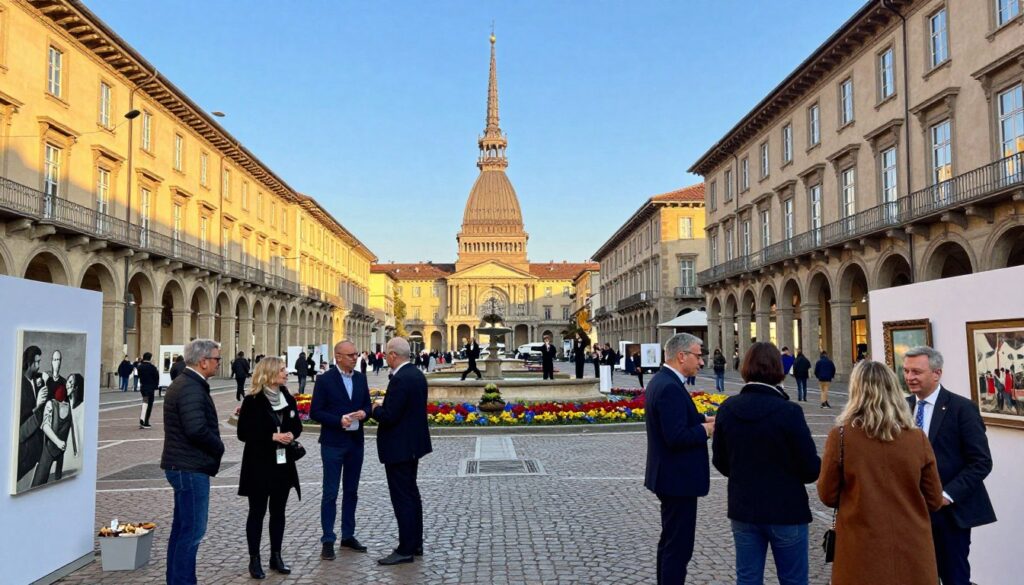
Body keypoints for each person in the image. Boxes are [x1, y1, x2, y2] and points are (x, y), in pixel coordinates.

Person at [818, 360, 945, 585]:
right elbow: (934, 499)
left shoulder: (841, 437)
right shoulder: (917, 439)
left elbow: (827, 495)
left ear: (855, 391)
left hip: (861, 548)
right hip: (912, 547)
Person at [712, 342, 820, 585]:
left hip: (744, 507)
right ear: (777, 369)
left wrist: (743, 474)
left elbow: (719, 459)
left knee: (748, 578)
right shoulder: (788, 411)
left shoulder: (728, 409)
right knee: (793, 579)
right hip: (786, 508)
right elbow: (810, 468)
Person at [903, 346, 996, 585]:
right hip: (909, 512)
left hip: (950, 515)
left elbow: (981, 461)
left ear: (936, 373)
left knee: (954, 576)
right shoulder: (900, 408)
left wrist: (945, 495)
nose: (910, 377)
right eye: (906, 371)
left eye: (917, 372)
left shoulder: (962, 409)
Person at [644, 333, 715, 584]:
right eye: (698, 355)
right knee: (678, 547)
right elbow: (676, 437)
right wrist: (706, 430)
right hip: (677, 479)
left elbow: (678, 420)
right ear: (681, 356)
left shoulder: (663, 381)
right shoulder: (669, 388)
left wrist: (703, 419)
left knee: (670, 541)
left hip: (671, 477)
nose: (702, 361)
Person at [160, 339, 225, 585]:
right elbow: (196, 429)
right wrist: (218, 446)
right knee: (192, 531)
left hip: (183, 464)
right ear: (203, 361)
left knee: (182, 530)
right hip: (189, 466)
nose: (219, 363)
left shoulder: (188, 383)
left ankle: (177, 580)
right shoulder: (190, 387)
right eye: (217, 359)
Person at [237, 356, 303, 579]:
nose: (286, 373)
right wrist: (272, 436)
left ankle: (276, 556)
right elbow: (243, 433)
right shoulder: (252, 400)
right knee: (257, 512)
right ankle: (254, 559)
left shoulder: (288, 398)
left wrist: (291, 434)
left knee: (279, 512)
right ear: (270, 373)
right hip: (258, 464)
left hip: (282, 465)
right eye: (282, 370)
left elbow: (297, 425)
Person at [371, 337, 432, 565]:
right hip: (413, 445)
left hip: (399, 447)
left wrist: (375, 409)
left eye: (387, 354)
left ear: (394, 355)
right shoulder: (416, 375)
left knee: (403, 498)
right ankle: (415, 542)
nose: (386, 357)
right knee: (411, 495)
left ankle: (406, 548)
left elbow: (390, 416)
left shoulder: (400, 379)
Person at [312, 340, 372, 561]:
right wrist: (338, 420)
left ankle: (348, 535)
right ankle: (328, 538)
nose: (355, 358)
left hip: (356, 442)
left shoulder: (360, 378)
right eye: (350, 355)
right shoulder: (325, 380)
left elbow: (366, 404)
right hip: (333, 443)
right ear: (338, 357)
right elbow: (315, 411)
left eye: (356, 354)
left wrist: (365, 413)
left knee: (352, 491)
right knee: (330, 492)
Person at [32, 372, 81, 487]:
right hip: (49, 449)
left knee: (58, 484)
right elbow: (45, 425)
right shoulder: (51, 404)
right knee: (38, 483)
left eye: (71, 382)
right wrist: (58, 442)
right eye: (67, 382)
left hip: (61, 454)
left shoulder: (71, 407)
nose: (67, 385)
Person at [18, 345, 45, 483]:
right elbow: (21, 419)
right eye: (37, 362)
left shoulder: (37, 379)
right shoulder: (20, 385)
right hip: (26, 451)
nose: (39, 365)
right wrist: (37, 406)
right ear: (29, 363)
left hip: (38, 447)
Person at [137, 352, 160, 429]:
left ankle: (142, 420)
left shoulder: (140, 367)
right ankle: (145, 421)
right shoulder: (152, 368)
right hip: (150, 389)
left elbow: (139, 376)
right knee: (149, 405)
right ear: (150, 358)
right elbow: (156, 377)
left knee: (145, 403)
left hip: (143, 387)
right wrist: (156, 386)